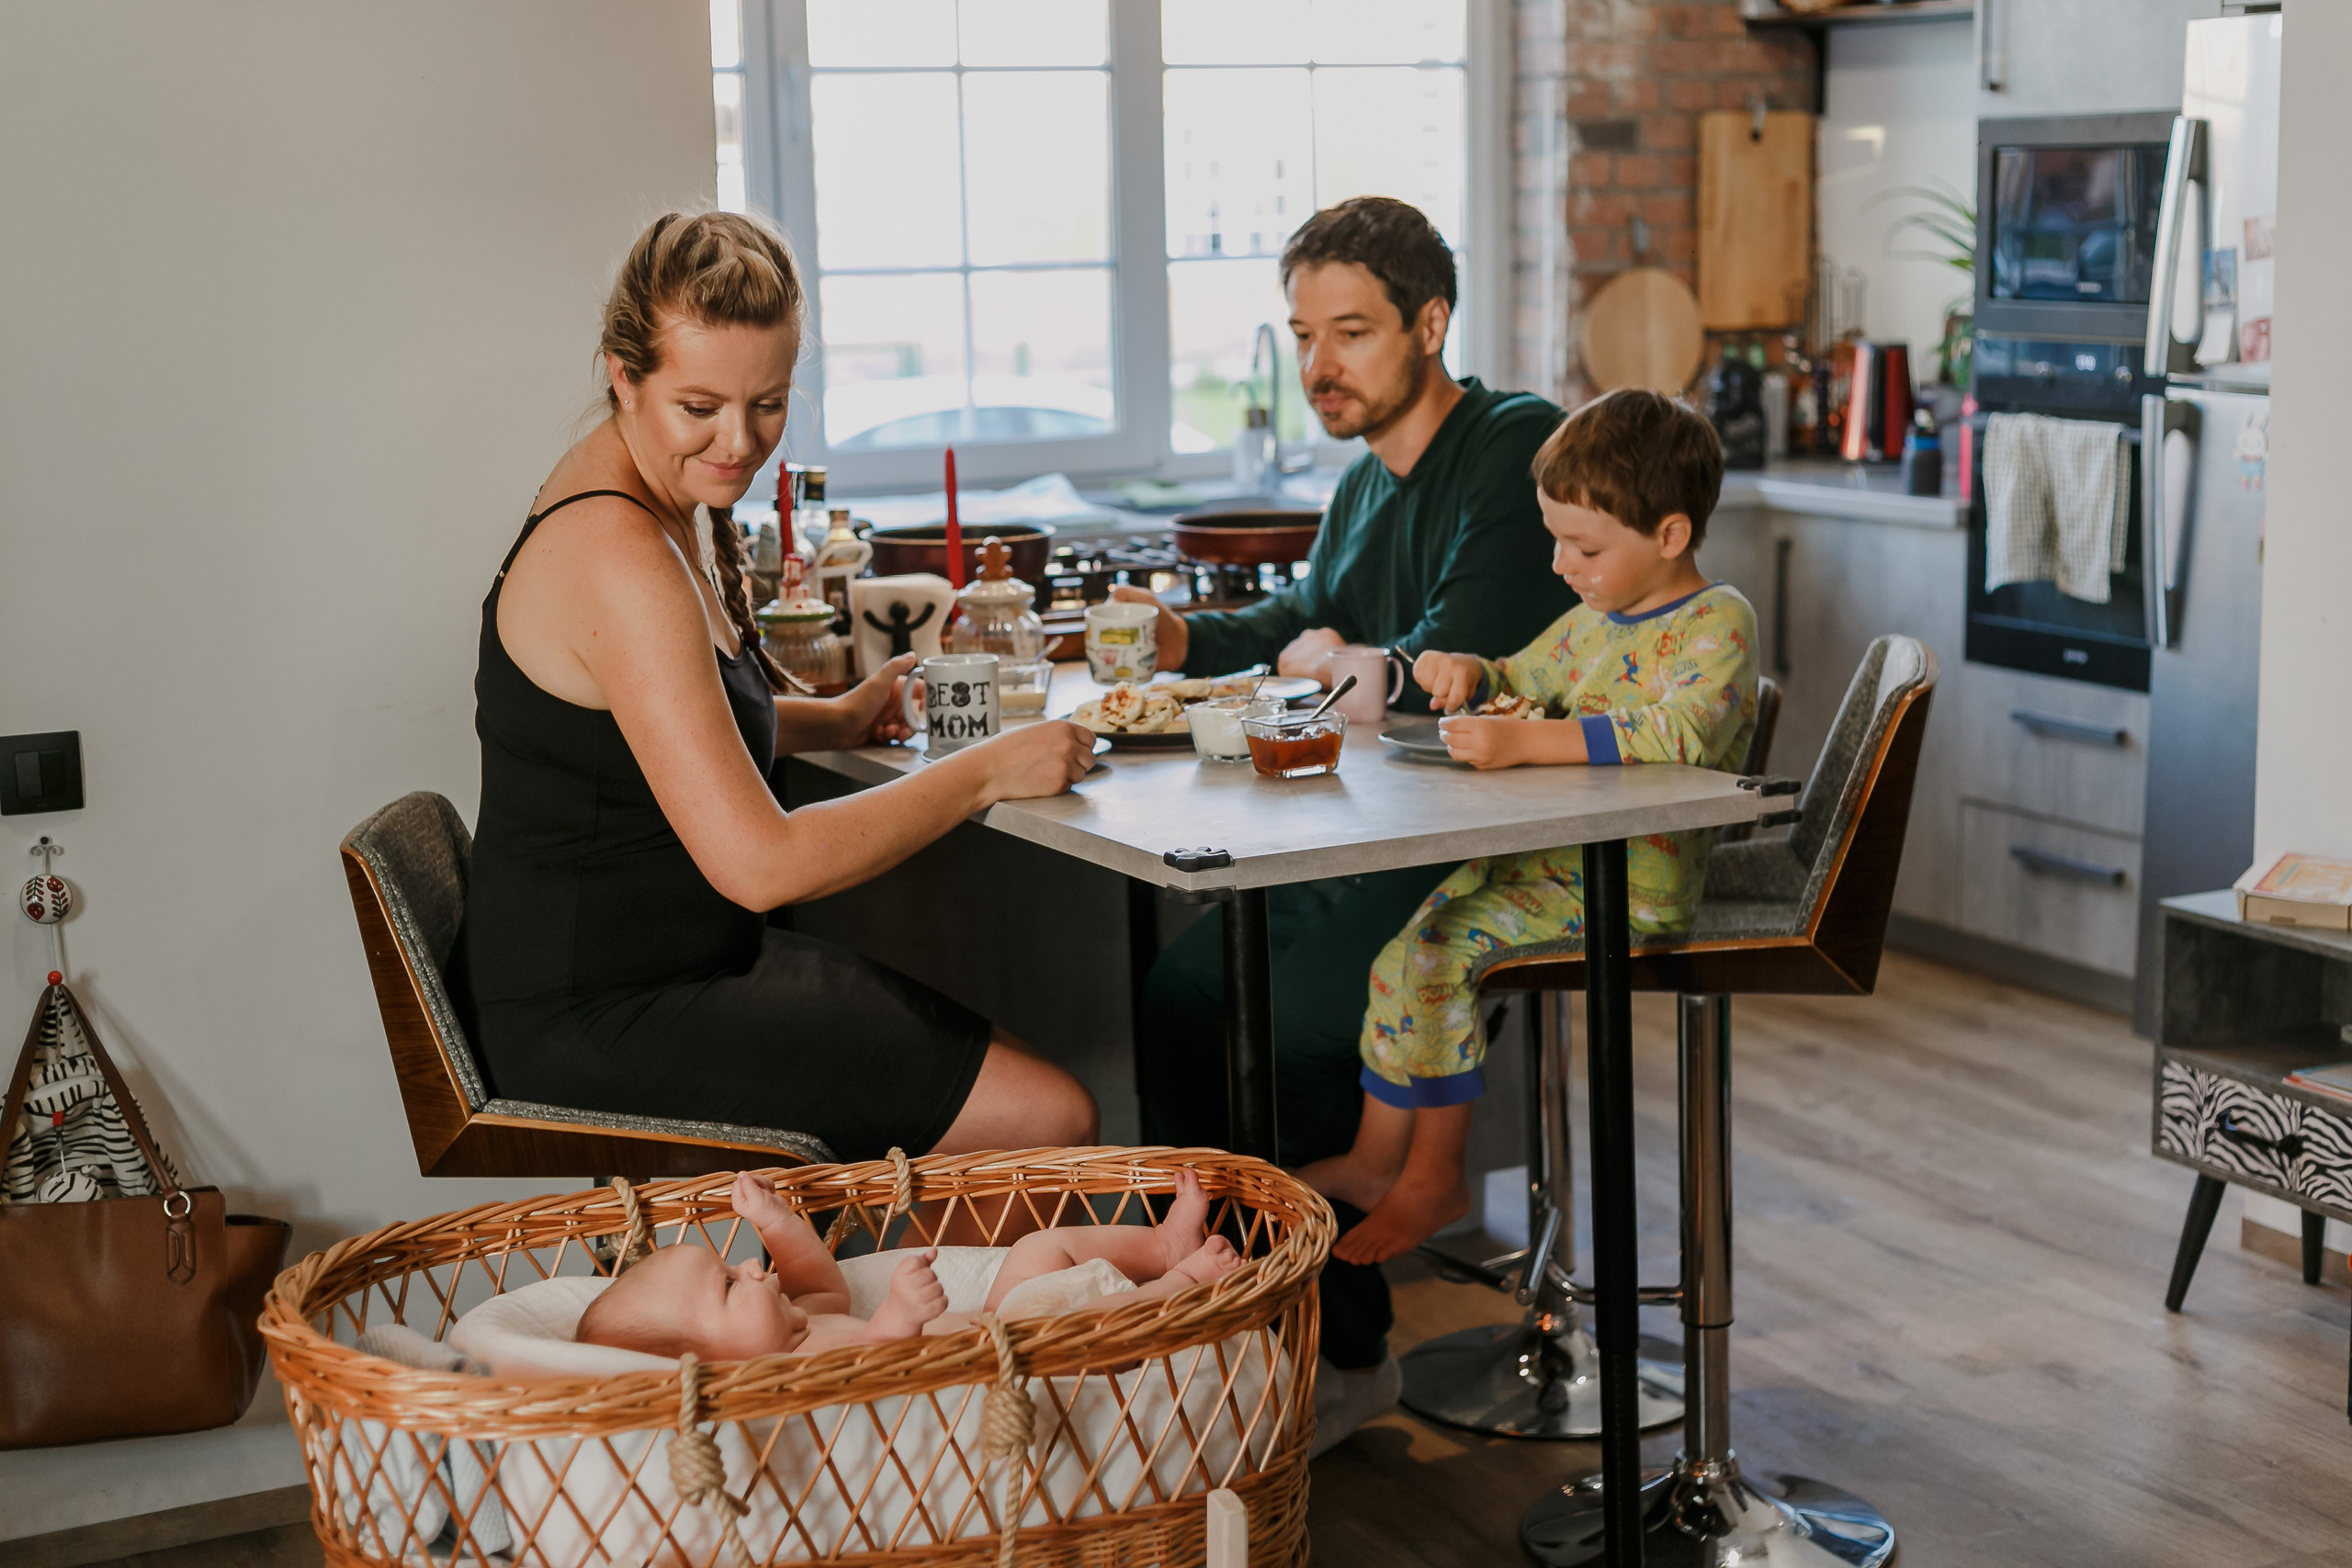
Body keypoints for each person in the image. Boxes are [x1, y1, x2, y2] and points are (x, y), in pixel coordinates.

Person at [448, 211, 1102, 1170]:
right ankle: (887, 1324)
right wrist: (987, 772)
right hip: (600, 1017)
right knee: (1050, 1117)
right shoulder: (617, 553)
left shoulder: (651, 499)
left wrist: (831, 719)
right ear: (620, 376)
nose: (738, 442)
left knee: (1023, 1078)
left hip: (664, 972)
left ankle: (883, 1311)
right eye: (699, 406)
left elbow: (647, 730)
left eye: (768, 404)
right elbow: (761, 867)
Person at [1110, 197, 1573, 1450]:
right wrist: (1176, 638)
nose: (1321, 364)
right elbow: (1300, 627)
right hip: (1380, 830)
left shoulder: (1514, 449)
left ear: (1431, 322)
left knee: (1299, 1014)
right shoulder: (1368, 483)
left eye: (1353, 331)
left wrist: (1345, 658)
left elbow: (1427, 669)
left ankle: (1336, 1349)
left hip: (1491, 845)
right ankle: (1234, 1333)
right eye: (1305, 332)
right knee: (1190, 987)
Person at [1299, 389, 1759, 1264]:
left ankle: (1435, 1178)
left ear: (1669, 536)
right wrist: (1470, 668)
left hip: (1634, 887)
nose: (1559, 564)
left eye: (1583, 546)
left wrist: (1524, 740)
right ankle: (1375, 1157)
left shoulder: (1716, 623)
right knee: (1405, 950)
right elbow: (1524, 671)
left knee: (1439, 953)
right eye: (1556, 538)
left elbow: (1678, 733)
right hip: (1556, 867)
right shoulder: (1598, 619)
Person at [578, 1170, 1239, 1360]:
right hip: (1016, 1357)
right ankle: (1182, 1286)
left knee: (1036, 1248)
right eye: (728, 1286)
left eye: (734, 1264)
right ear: (712, 1363)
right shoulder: (784, 1376)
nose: (751, 1271)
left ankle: (1162, 1249)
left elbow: (819, 1282)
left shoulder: (798, 1321)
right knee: (1078, 1331)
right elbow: (878, 1372)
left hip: (992, 1321)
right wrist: (896, 1316)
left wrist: (778, 1223)